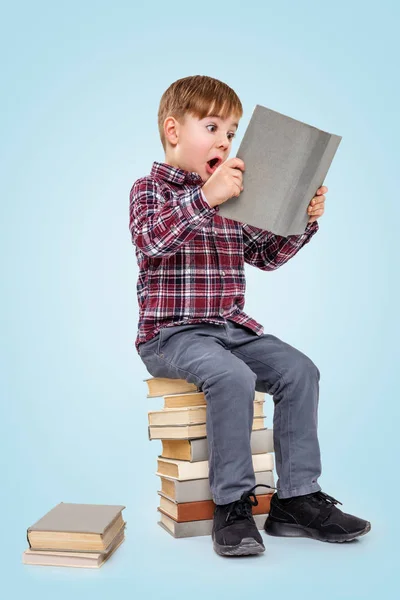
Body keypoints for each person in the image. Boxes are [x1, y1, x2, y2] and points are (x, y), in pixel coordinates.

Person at [129, 75, 371, 557]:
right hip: (171, 335)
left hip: (231, 328)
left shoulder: (234, 197)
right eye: (213, 126)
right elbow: (150, 241)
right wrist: (206, 197)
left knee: (300, 371)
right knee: (232, 377)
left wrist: (303, 220)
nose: (224, 140)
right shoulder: (149, 189)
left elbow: (265, 255)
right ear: (174, 131)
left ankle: (296, 499)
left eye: (232, 132)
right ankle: (232, 504)